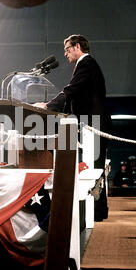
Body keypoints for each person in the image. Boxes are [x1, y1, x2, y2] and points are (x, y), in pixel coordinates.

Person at [33, 34, 111, 220]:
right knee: (95, 166)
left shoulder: (86, 64)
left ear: (77, 47)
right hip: (91, 123)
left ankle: (98, 212)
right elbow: (75, 93)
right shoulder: (86, 64)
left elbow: (71, 89)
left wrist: (48, 106)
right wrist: (62, 112)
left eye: (67, 49)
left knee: (96, 167)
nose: (66, 54)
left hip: (95, 124)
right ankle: (99, 210)